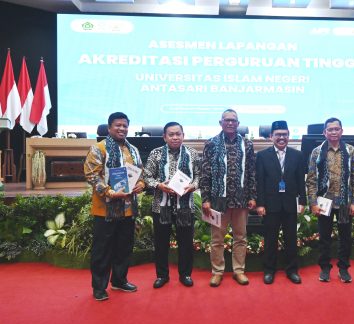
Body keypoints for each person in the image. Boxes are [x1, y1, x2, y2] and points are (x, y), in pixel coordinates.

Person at [84, 112, 145, 301]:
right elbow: (92, 175)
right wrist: (110, 192)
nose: (122, 128)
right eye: (118, 125)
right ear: (109, 128)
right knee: (102, 249)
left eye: (125, 125)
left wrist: (140, 185)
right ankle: (99, 287)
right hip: (106, 208)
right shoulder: (99, 148)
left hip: (128, 208)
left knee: (123, 247)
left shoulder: (133, 150)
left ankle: (119, 280)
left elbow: (140, 174)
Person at [200, 109, 257, 287]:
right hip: (218, 201)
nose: (230, 123)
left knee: (240, 237)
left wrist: (253, 196)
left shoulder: (247, 144)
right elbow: (205, 173)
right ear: (220, 122)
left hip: (240, 200)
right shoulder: (212, 143)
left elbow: (251, 173)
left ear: (238, 123)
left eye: (234, 120)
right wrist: (205, 199)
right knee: (217, 239)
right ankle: (217, 272)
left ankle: (239, 271)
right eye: (227, 120)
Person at [143, 122, 201, 289]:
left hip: (185, 207)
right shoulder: (156, 153)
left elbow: (199, 176)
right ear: (164, 137)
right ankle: (162, 275)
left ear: (183, 135)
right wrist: (160, 185)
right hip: (161, 206)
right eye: (171, 134)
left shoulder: (192, 153)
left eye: (178, 134)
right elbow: (147, 177)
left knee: (186, 243)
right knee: (161, 244)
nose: (175, 137)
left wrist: (193, 186)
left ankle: (185, 274)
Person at [306, 117, 354, 283]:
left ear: (342, 131)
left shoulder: (351, 151)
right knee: (324, 237)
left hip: (344, 202)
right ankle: (324, 268)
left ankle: (343, 269)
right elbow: (312, 179)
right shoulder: (317, 152)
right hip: (324, 202)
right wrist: (313, 203)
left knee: (345, 237)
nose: (334, 132)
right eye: (330, 129)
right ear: (324, 132)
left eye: (337, 129)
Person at [256, 120, 306, 284]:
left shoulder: (297, 155)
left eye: (285, 134)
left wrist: (302, 201)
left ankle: (292, 270)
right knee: (271, 239)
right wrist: (260, 204)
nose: (282, 137)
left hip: (290, 203)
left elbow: (300, 180)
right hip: (271, 204)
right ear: (271, 136)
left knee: (291, 238)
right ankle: (269, 270)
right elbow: (260, 182)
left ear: (289, 136)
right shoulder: (262, 156)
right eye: (278, 135)